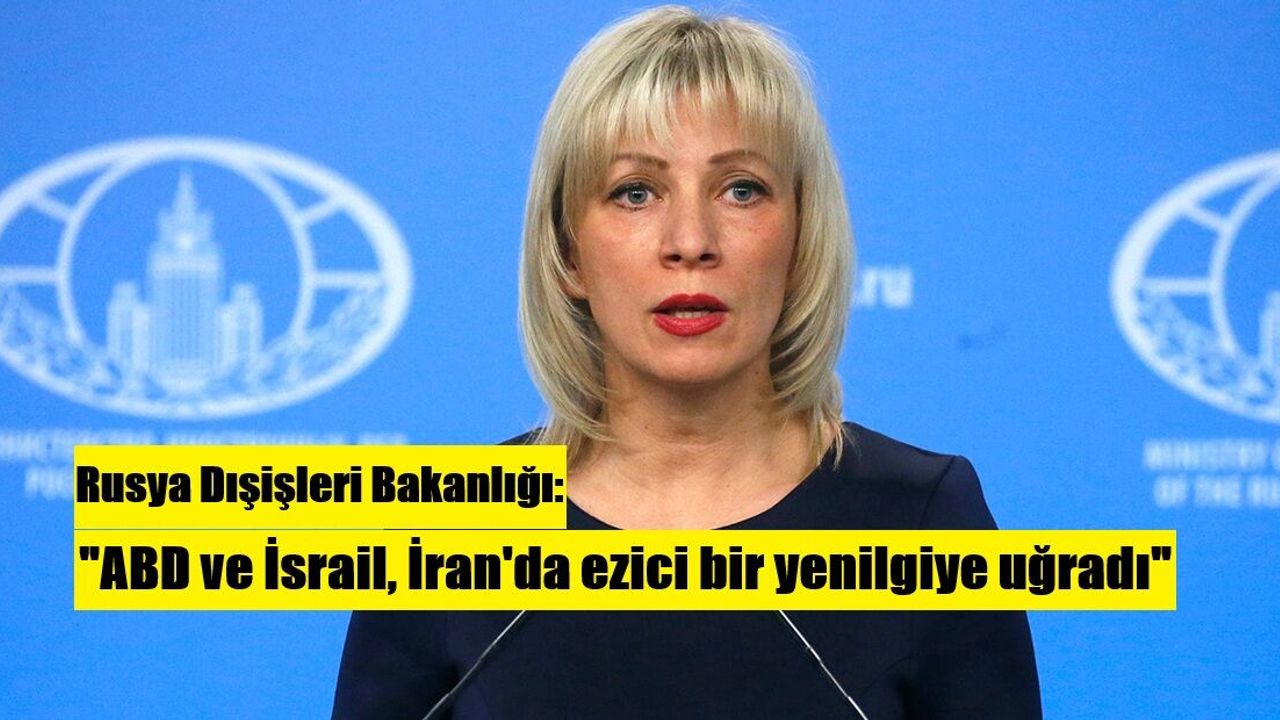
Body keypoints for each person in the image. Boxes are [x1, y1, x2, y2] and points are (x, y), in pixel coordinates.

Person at [333, 5, 1041, 718]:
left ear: (801, 238)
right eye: (635, 193)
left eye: (741, 190)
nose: (691, 241)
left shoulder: (921, 520)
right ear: (568, 251)